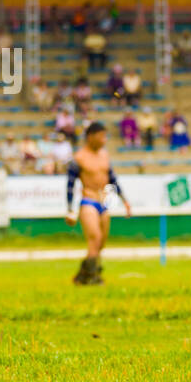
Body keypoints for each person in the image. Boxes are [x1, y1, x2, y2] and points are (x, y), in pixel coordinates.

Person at [66, 121, 132, 285]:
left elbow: (113, 179)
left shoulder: (104, 155)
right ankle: (94, 276)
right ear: (91, 137)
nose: (104, 139)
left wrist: (125, 201)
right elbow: (70, 184)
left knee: (101, 242)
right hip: (88, 200)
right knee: (94, 238)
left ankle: (83, 274)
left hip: (104, 201)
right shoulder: (79, 158)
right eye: (101, 136)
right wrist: (70, 209)